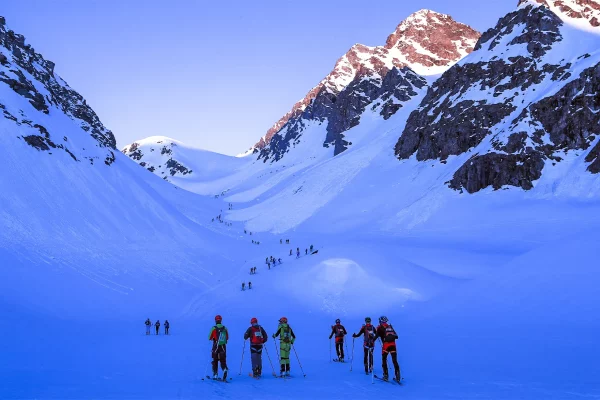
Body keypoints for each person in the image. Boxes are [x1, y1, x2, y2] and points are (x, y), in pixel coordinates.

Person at [375, 316, 401, 381]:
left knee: (384, 360)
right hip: (393, 345)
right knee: (394, 360)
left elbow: (375, 337)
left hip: (386, 346)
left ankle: (386, 375)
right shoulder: (390, 327)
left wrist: (371, 342)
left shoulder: (379, 327)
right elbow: (396, 336)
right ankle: (397, 376)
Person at [208, 315, 229, 380]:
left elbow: (209, 337)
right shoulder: (225, 328)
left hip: (215, 346)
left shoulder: (214, 328)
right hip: (223, 346)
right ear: (221, 320)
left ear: (215, 320)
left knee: (215, 360)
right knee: (223, 360)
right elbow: (227, 338)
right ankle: (224, 369)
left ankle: (215, 374)